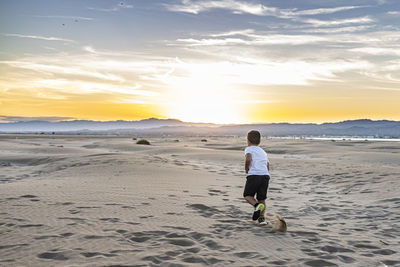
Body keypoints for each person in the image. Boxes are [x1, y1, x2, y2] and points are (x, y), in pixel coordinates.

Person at [243, 130, 270, 225]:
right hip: (265, 176)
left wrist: (246, 168)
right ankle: (262, 219)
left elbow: (248, 158)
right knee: (262, 198)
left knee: (247, 196)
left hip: (254, 175)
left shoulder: (249, 149)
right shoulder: (263, 151)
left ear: (248, 140)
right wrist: (265, 173)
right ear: (259, 141)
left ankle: (257, 206)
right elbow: (267, 165)